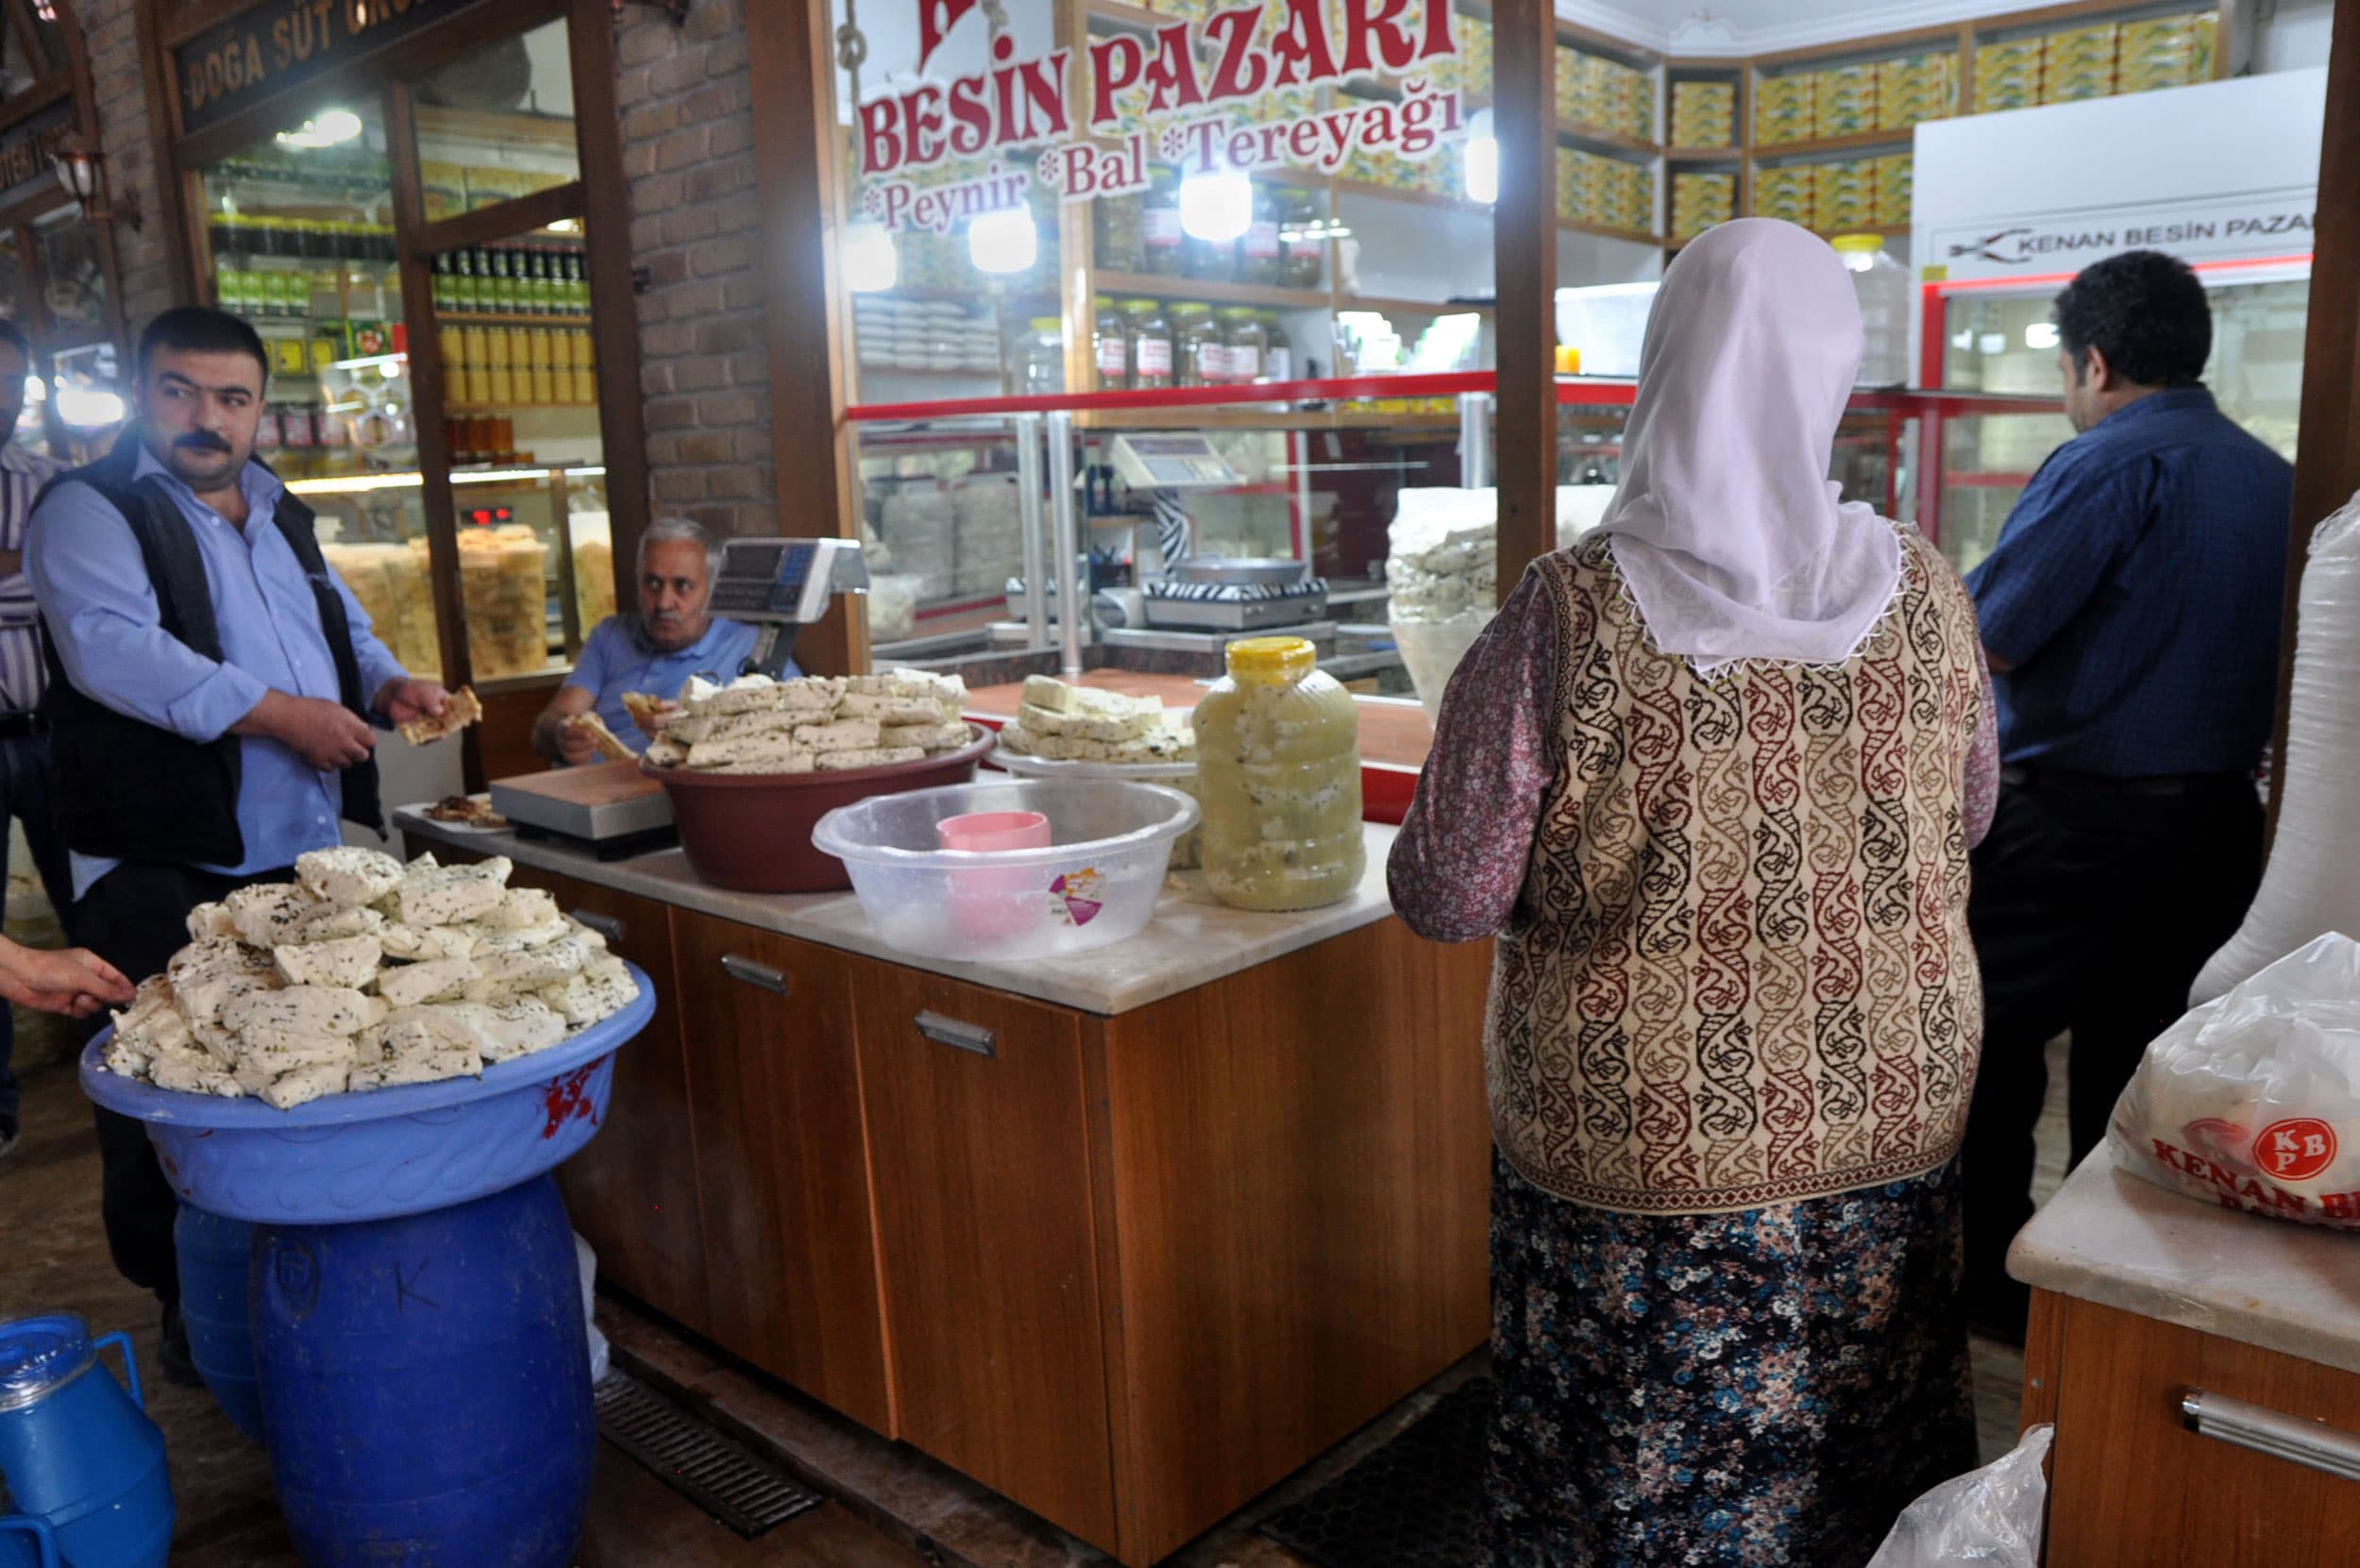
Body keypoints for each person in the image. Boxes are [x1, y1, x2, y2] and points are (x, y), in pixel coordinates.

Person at [1390, 220, 1998, 1566]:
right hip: (1890, 1106)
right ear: (1832, 374)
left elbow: (1444, 889)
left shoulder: (1567, 614)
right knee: (1862, 1429)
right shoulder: (1927, 591)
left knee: (1643, 1462)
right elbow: (1971, 815)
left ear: (1665, 363)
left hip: (1650, 1145)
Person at [28, 305, 447, 1377]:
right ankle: (184, 1300)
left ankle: (299, 1272)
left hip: (290, 851)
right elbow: (113, 652)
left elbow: (335, 621)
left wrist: (385, 680)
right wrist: (279, 712)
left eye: (232, 398)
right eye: (179, 391)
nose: (206, 419)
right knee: (174, 1091)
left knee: (303, 1063)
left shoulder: (278, 506)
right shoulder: (89, 509)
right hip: (159, 859)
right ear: (140, 393)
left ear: (261, 409)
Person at [1958, 249, 2292, 1342]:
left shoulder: (2104, 464)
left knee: (1993, 1040)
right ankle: (2104, 1294)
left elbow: (1993, 634)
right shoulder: (2273, 474)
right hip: (2216, 827)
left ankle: (1991, 1288)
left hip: (2074, 825)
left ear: (2092, 362)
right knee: (2141, 1063)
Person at [0, 319, 76, 1159]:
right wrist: (27, 569)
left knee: (90, 896)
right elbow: (40, 585)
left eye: (14, 384)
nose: (4, 399)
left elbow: (69, 597)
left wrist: (29, 572)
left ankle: (129, 1061)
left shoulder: (55, 483)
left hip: (53, 733)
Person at [531, 515, 762, 765]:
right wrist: (561, 735)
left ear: (711, 590)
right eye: (652, 584)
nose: (663, 602)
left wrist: (693, 730)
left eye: (682, 585)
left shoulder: (751, 649)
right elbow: (549, 724)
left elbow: (783, 740)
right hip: (582, 789)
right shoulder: (609, 635)